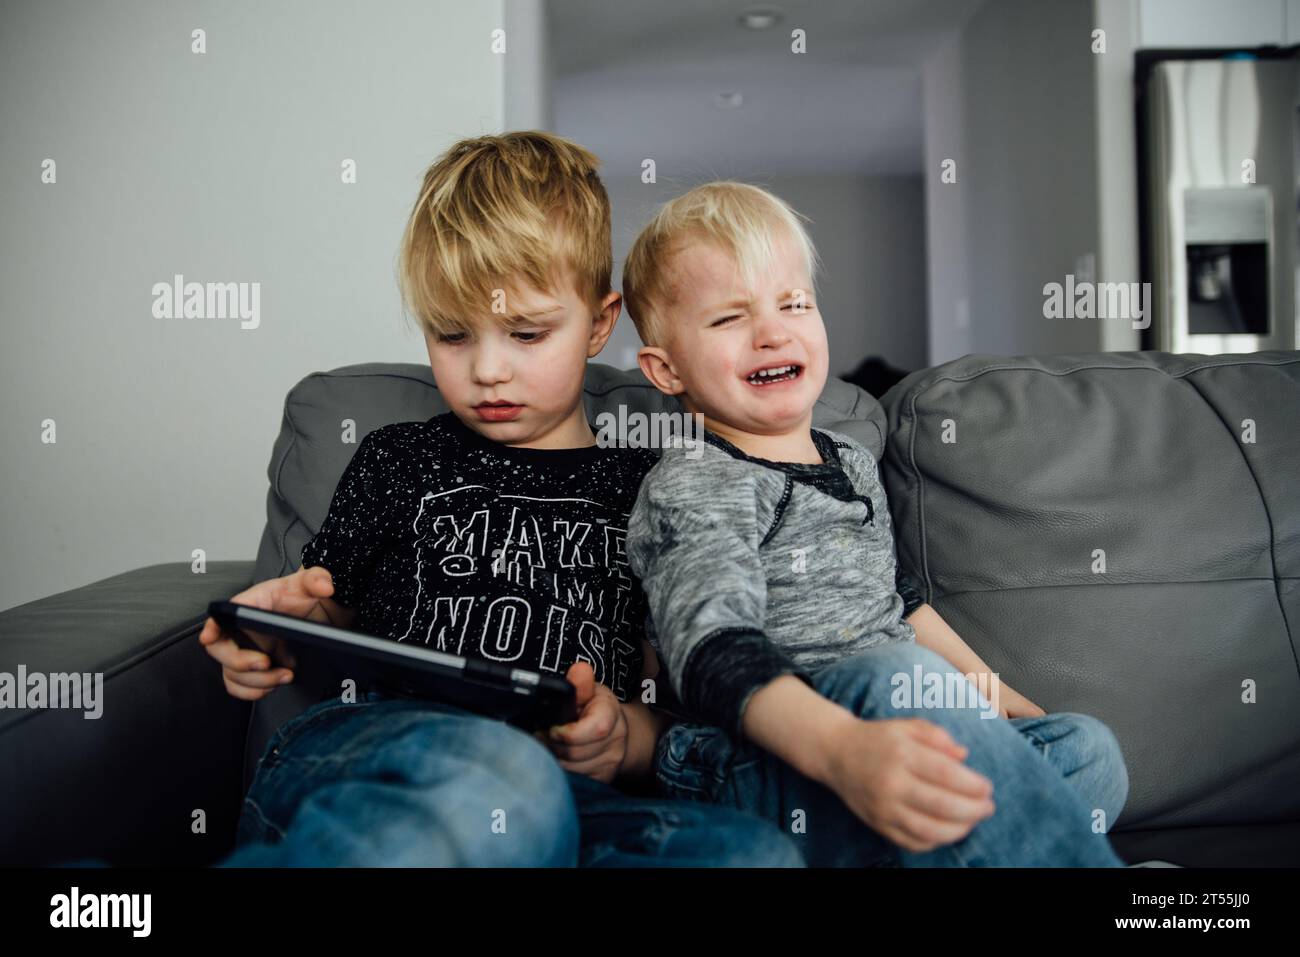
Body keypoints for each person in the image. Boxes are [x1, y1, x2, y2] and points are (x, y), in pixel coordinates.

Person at [199, 135, 803, 867]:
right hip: (385, 754)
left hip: (576, 792)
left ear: (600, 323)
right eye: (452, 334)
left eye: (526, 333)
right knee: (500, 785)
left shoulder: (660, 486)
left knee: (748, 852)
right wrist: (275, 626)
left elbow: (671, 677)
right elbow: (327, 609)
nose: (487, 369)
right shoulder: (400, 456)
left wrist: (624, 733)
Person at [620, 180, 1129, 867]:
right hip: (756, 758)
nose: (773, 330)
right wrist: (848, 740)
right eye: (729, 318)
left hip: (896, 723)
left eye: (793, 303)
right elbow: (711, 646)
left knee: (1084, 749)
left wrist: (999, 697)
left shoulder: (854, 463)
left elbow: (899, 604)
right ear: (665, 368)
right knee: (894, 677)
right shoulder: (699, 479)